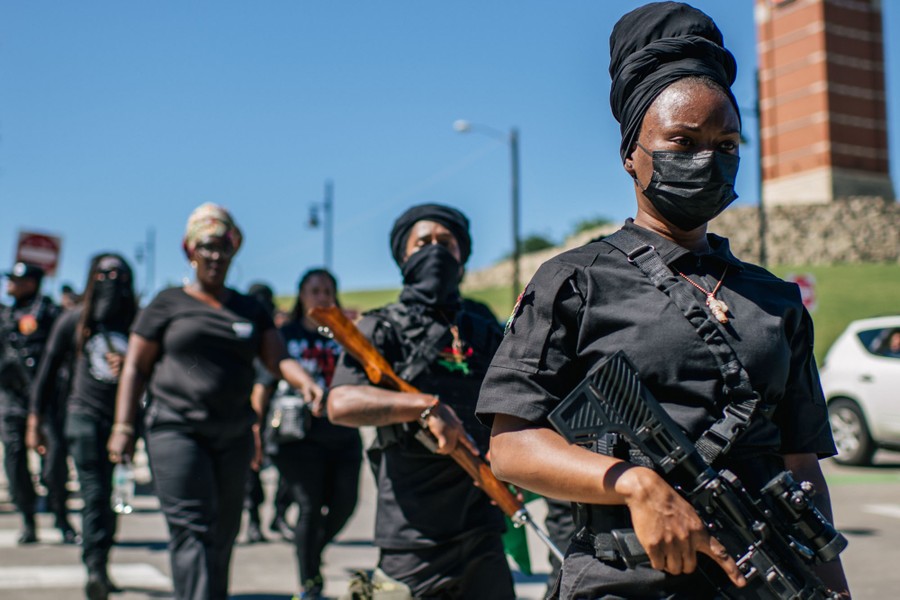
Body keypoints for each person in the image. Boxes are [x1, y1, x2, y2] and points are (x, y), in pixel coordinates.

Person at [476, 3, 852, 599]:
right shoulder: (575, 280)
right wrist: (634, 484)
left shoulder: (776, 300)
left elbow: (801, 466)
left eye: (726, 143)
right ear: (631, 153)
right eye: (682, 140)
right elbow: (511, 447)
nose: (706, 158)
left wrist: (834, 589)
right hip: (623, 582)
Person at [106, 203, 324, 600]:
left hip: (233, 433)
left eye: (223, 246)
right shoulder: (167, 303)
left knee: (223, 532)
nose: (215, 255)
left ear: (233, 251)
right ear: (190, 251)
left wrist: (306, 382)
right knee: (193, 529)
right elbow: (135, 366)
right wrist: (123, 426)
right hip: (176, 429)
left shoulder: (249, 309)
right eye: (206, 246)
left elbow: (278, 358)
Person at [328, 203, 515, 600]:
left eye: (446, 242)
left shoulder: (482, 329)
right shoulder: (380, 328)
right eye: (423, 242)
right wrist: (425, 407)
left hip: (482, 526)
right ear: (403, 257)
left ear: (462, 256)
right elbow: (340, 403)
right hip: (411, 538)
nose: (435, 251)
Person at [28, 253, 137, 600]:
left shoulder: (138, 323)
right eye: (103, 274)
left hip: (122, 422)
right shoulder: (73, 320)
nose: (111, 281)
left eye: (118, 274)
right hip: (83, 417)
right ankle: (94, 567)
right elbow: (46, 374)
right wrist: (35, 420)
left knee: (112, 497)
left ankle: (101, 561)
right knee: (94, 494)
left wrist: (132, 365)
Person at [261, 268, 362, 599]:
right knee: (310, 505)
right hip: (298, 438)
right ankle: (310, 583)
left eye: (327, 291)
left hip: (342, 433)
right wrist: (256, 429)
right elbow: (264, 383)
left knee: (345, 503)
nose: (321, 297)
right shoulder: (285, 335)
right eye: (314, 291)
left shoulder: (346, 335)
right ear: (301, 295)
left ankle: (312, 550)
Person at [0, 262, 76, 545]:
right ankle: (28, 521)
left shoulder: (51, 313)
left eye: (15, 280)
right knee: (15, 460)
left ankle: (62, 519)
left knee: (54, 463)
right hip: (12, 399)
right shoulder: (5, 315)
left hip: (46, 399)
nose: (9, 284)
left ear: (31, 283)